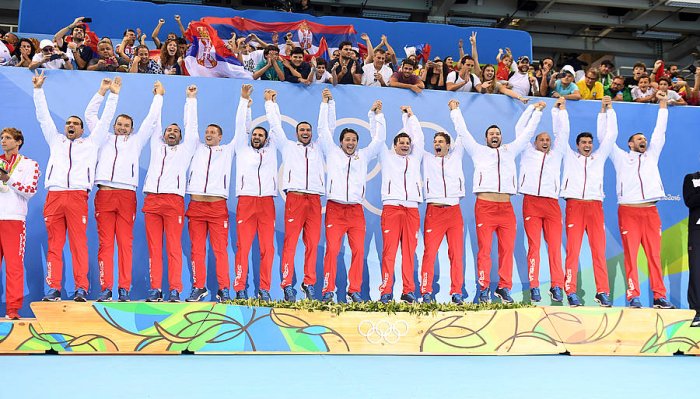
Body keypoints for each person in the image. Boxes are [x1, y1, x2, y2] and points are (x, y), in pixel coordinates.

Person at [450, 101, 545, 303]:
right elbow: (463, 132)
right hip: (485, 207)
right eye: (491, 134)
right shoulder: (477, 151)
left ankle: (504, 287)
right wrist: (455, 111)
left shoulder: (511, 149)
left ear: (501, 137)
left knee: (506, 249)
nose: (495, 136)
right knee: (485, 250)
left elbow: (528, 133)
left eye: (498, 134)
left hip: (507, 208)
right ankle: (483, 287)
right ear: (486, 138)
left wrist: (537, 112)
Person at [33, 72, 115, 301]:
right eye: (68, 123)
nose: (70, 125)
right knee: (54, 245)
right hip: (55, 196)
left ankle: (81, 287)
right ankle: (54, 289)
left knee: (79, 245)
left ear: (82, 130)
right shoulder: (55, 139)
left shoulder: (91, 142)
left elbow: (106, 119)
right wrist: (38, 90)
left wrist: (109, 95)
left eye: (75, 124)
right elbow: (43, 117)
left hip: (78, 196)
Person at [86, 79, 164, 303]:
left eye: (126, 126)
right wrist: (104, 92)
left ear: (132, 129)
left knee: (125, 244)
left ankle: (124, 289)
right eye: (119, 124)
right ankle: (105, 288)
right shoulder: (103, 138)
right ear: (113, 125)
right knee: (105, 244)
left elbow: (150, 121)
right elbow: (91, 114)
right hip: (104, 194)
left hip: (126, 196)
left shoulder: (137, 141)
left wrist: (158, 96)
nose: (122, 128)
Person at [597, 92, 674, 309]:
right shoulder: (620, 157)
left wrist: (663, 104)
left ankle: (660, 296)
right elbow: (605, 138)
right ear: (630, 144)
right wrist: (604, 112)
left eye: (645, 139)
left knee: (654, 257)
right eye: (639, 139)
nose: (644, 141)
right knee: (631, 256)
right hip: (629, 212)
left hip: (650, 212)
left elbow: (660, 131)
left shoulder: (652, 155)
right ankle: (634, 296)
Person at [317, 90, 385, 303]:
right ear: (340, 142)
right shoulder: (332, 151)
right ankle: (328, 289)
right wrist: (325, 104)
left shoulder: (363, 156)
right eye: (347, 139)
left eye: (354, 139)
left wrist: (376, 116)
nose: (351, 142)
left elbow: (379, 140)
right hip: (335, 209)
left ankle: (354, 290)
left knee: (358, 251)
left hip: (356, 210)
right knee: (333, 250)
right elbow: (323, 130)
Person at [266, 90, 325, 301]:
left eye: (308, 130)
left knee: (312, 243)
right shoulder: (288, 146)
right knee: (290, 243)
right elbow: (275, 126)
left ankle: (309, 283)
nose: (306, 132)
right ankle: (286, 284)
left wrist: (326, 104)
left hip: (315, 200)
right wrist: (270, 104)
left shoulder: (320, 148)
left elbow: (326, 129)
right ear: (297, 133)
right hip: (295, 199)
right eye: (302, 130)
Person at [142, 85, 199, 302]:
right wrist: (158, 97)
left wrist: (191, 99)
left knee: (173, 247)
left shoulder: (186, 149)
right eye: (169, 130)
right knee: (154, 248)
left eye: (176, 131)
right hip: (152, 200)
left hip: (173, 200)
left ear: (181, 136)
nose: (172, 132)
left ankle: (175, 289)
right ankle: (155, 289)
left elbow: (192, 127)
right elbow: (154, 121)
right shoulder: (156, 145)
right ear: (164, 134)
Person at [560, 96, 618, 307]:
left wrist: (606, 111)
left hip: (595, 206)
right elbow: (562, 133)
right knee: (573, 251)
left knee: (598, 252)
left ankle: (602, 292)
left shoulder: (599, 157)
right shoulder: (568, 156)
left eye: (589, 142)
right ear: (577, 145)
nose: (587, 145)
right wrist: (561, 110)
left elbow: (611, 136)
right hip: (575, 205)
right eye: (583, 142)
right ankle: (570, 290)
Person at [184, 86, 239, 303]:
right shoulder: (195, 147)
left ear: (221, 137)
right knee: (197, 250)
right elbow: (191, 126)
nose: (208, 134)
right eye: (207, 132)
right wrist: (191, 99)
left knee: (219, 251)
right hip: (196, 206)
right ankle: (199, 287)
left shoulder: (227, 150)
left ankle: (224, 289)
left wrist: (244, 102)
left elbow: (241, 128)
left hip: (217, 208)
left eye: (213, 133)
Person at [518, 97, 568, 303]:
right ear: (535, 143)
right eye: (542, 139)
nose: (546, 142)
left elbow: (562, 134)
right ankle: (534, 286)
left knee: (555, 247)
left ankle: (557, 285)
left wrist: (559, 112)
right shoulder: (526, 151)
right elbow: (522, 129)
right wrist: (533, 109)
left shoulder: (557, 155)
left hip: (551, 204)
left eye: (548, 140)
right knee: (534, 247)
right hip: (531, 202)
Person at [418, 100, 468, 304]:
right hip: (434, 211)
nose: (437, 144)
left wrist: (455, 111)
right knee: (429, 253)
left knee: (456, 254)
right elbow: (415, 140)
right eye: (435, 141)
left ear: (448, 145)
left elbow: (463, 134)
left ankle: (457, 292)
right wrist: (408, 117)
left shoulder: (456, 157)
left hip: (454, 212)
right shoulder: (427, 158)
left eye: (441, 141)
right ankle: (426, 291)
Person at [232, 87, 278, 301]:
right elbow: (240, 126)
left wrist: (270, 104)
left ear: (266, 139)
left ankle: (265, 289)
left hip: (267, 202)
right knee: (243, 247)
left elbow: (276, 127)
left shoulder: (271, 151)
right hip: (246, 201)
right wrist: (243, 102)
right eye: (255, 134)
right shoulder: (242, 148)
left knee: (267, 248)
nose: (257, 136)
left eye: (261, 135)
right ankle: (240, 286)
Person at [377, 106, 425, 303]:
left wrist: (411, 116)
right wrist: (377, 115)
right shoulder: (386, 157)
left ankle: (408, 291)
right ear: (394, 145)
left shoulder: (415, 158)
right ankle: (386, 291)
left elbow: (419, 137)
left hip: (412, 209)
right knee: (389, 253)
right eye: (401, 142)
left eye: (407, 143)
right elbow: (378, 138)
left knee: (409, 253)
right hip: (392, 208)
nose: (405, 145)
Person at [0, 128, 39, 319]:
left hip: (14, 220)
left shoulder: (30, 164)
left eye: (7, 138)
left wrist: (9, 179)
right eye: (2, 138)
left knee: (14, 266)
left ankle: (13, 310)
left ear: (19, 141)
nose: (3, 141)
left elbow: (30, 190)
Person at [683, 171, 700, 326]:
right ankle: (696, 312)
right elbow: (690, 200)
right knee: (696, 271)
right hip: (697, 231)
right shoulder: (691, 178)